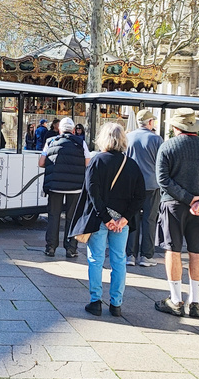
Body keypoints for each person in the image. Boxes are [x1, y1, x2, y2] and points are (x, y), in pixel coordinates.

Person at [68, 122, 145, 317]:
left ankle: (95, 301)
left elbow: (92, 192)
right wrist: (124, 219)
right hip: (122, 221)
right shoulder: (132, 164)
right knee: (119, 260)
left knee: (96, 259)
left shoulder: (97, 161)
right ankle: (116, 304)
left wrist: (106, 217)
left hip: (99, 218)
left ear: (103, 138)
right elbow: (140, 195)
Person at [154, 108, 199, 319]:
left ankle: (176, 300)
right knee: (197, 252)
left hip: (173, 205)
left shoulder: (167, 147)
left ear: (176, 127)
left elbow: (163, 179)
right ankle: (195, 301)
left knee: (173, 250)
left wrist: (186, 197)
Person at [39, 117, 90, 258]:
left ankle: (50, 248)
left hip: (55, 186)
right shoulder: (81, 143)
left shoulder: (51, 142)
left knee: (53, 216)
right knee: (72, 217)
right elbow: (88, 163)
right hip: (75, 187)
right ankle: (71, 248)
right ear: (73, 130)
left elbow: (41, 162)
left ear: (60, 130)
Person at [125, 109, 163, 268]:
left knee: (131, 219)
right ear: (149, 122)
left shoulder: (128, 137)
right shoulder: (156, 139)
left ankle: (130, 255)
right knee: (149, 219)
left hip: (132, 185)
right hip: (152, 185)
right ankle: (146, 255)